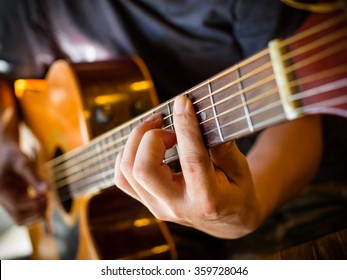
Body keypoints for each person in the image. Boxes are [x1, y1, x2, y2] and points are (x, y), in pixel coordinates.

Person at [0, 0, 346, 259]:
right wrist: (4, 138)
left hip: (280, 185)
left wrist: (249, 210)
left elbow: (298, 111)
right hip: (132, 226)